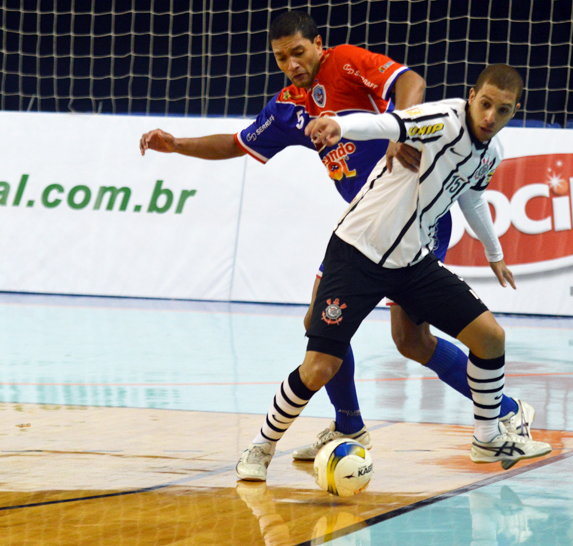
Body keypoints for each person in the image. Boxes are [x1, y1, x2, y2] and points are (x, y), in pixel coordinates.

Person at [141, 11, 531, 464]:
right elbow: (237, 142)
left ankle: (504, 413)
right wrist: (178, 145)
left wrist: (396, 129)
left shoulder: (344, 63)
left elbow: (411, 82)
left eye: (299, 52)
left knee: (410, 340)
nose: (291, 63)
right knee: (328, 328)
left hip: (412, 225)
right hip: (361, 230)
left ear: (318, 44)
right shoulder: (287, 107)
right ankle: (352, 426)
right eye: (281, 57)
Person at [236, 64, 552, 482]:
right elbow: (390, 121)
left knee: (490, 337)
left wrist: (494, 253)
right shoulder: (442, 120)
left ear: (514, 112)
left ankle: (488, 436)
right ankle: (261, 446)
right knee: (319, 367)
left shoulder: (492, 152)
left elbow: (473, 198)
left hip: (411, 260)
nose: (491, 116)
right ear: (472, 95)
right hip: (357, 252)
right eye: (486, 104)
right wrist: (337, 126)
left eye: (504, 110)